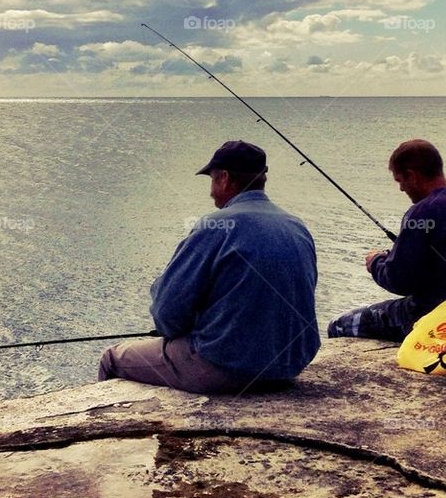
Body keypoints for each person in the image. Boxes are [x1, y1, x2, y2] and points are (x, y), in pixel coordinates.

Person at [98, 140, 320, 394]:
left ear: (224, 178)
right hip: (288, 366)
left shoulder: (216, 226)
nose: (211, 192)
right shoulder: (296, 226)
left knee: (111, 358)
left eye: (212, 180)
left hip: (227, 368)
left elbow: (167, 314)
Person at [327, 139, 446, 343]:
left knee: (338, 325)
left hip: (437, 319)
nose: (401, 189)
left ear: (412, 176)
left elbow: (399, 281)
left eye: (400, 181)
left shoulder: (423, 212)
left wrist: (376, 262)